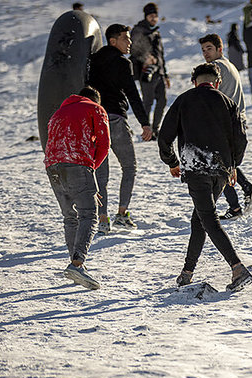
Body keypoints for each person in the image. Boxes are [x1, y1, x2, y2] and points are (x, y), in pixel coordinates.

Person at [157, 63, 252, 292]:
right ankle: (187, 273)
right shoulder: (228, 102)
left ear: (194, 81)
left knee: (208, 218)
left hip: (196, 167)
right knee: (199, 219)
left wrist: (172, 162)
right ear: (217, 82)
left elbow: (164, 137)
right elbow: (241, 139)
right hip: (220, 170)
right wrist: (232, 166)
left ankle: (238, 268)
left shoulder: (183, 100)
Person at [88, 23, 153, 234]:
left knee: (101, 173)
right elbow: (133, 94)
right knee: (129, 167)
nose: (130, 42)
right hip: (115, 118)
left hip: (95, 121)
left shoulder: (92, 61)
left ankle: (102, 219)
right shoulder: (122, 63)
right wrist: (145, 122)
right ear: (113, 41)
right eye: (126, 38)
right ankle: (122, 214)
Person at [43, 86, 110, 290]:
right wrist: (91, 171)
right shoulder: (95, 109)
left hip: (52, 165)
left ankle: (75, 263)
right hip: (77, 163)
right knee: (89, 214)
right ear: (95, 100)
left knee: (69, 216)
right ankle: (77, 264)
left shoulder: (57, 114)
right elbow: (104, 144)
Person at [199, 33, 252, 220]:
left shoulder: (215, 68)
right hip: (234, 120)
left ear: (220, 48)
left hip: (223, 122)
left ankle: (244, 194)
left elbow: (210, 95)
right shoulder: (230, 65)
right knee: (224, 163)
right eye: (203, 50)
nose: (205, 53)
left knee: (221, 165)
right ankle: (237, 204)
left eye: (209, 48)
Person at [131, 2, 170, 138]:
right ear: (146, 16)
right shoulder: (138, 30)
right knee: (147, 102)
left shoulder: (156, 32)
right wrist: (145, 58)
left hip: (158, 72)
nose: (153, 18)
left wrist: (165, 74)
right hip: (146, 72)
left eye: (155, 16)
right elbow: (134, 50)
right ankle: (146, 131)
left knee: (163, 100)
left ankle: (155, 129)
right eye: (151, 16)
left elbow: (161, 55)